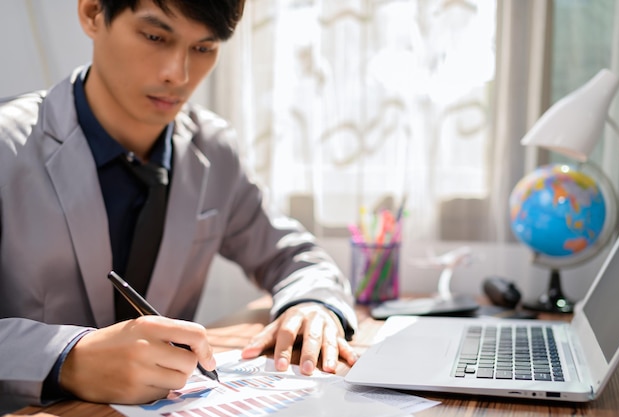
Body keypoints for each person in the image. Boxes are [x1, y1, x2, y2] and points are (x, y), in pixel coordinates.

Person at [0, 0, 358, 413]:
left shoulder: (213, 150)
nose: (179, 74)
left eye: (204, 48)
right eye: (155, 37)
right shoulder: (9, 147)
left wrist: (313, 304)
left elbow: (296, 256)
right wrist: (66, 359)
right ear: (93, 12)